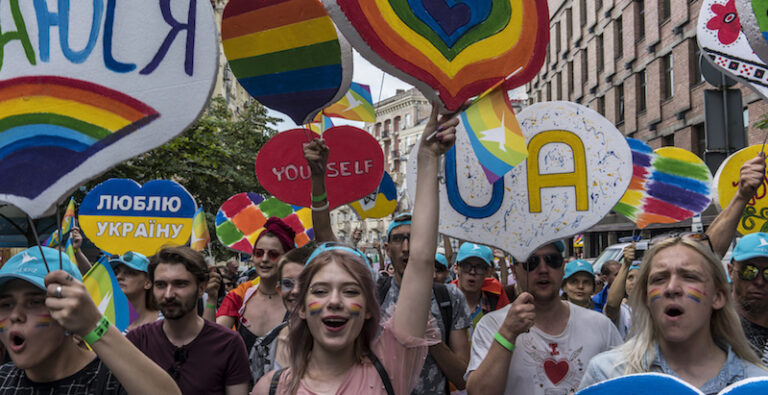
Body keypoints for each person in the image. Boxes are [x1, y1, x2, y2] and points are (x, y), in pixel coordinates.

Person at [253, 103, 459, 394]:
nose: (335, 301)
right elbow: (325, 234)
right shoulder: (270, 388)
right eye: (320, 291)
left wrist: (427, 159)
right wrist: (318, 181)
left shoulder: (390, 364)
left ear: (367, 310)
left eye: (350, 291)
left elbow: (421, 260)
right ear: (300, 308)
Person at [579, 236, 768, 392]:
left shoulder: (757, 384)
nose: (671, 288)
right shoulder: (609, 376)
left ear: (718, 296)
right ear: (646, 297)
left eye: (689, 277)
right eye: (659, 278)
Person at [0, 247, 180, 394]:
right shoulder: (4, 380)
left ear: (73, 308)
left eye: (35, 302)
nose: (16, 315)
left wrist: (93, 325)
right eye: (6, 304)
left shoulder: (116, 380)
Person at [465, 241, 622, 395]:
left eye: (552, 260)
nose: (543, 269)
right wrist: (507, 333)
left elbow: (624, 384)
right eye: (531, 262)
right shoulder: (492, 325)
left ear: (562, 267)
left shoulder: (600, 325)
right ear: (514, 271)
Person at [127, 245, 250, 394]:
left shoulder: (229, 344)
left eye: (180, 284)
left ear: (201, 288)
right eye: (160, 285)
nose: (168, 294)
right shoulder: (137, 341)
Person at [205, 218, 295, 342]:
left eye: (273, 254)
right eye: (259, 253)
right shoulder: (240, 295)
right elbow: (211, 340)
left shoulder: (297, 296)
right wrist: (211, 299)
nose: (264, 259)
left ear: (286, 258)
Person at [729, 233, 768, 364]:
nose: (760, 281)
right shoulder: (711, 322)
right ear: (731, 271)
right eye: (748, 271)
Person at [451, 243, 510, 330]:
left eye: (480, 267)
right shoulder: (445, 297)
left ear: (489, 272)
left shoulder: (495, 295)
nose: (472, 272)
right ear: (456, 268)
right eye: (466, 266)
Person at [110, 251, 161, 332]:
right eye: (116, 272)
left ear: (148, 283)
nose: (119, 277)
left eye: (130, 272)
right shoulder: (107, 322)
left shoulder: (166, 321)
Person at [604, 245, 638, 339]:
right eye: (630, 278)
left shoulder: (651, 308)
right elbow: (611, 305)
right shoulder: (622, 310)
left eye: (640, 278)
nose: (635, 282)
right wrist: (626, 264)